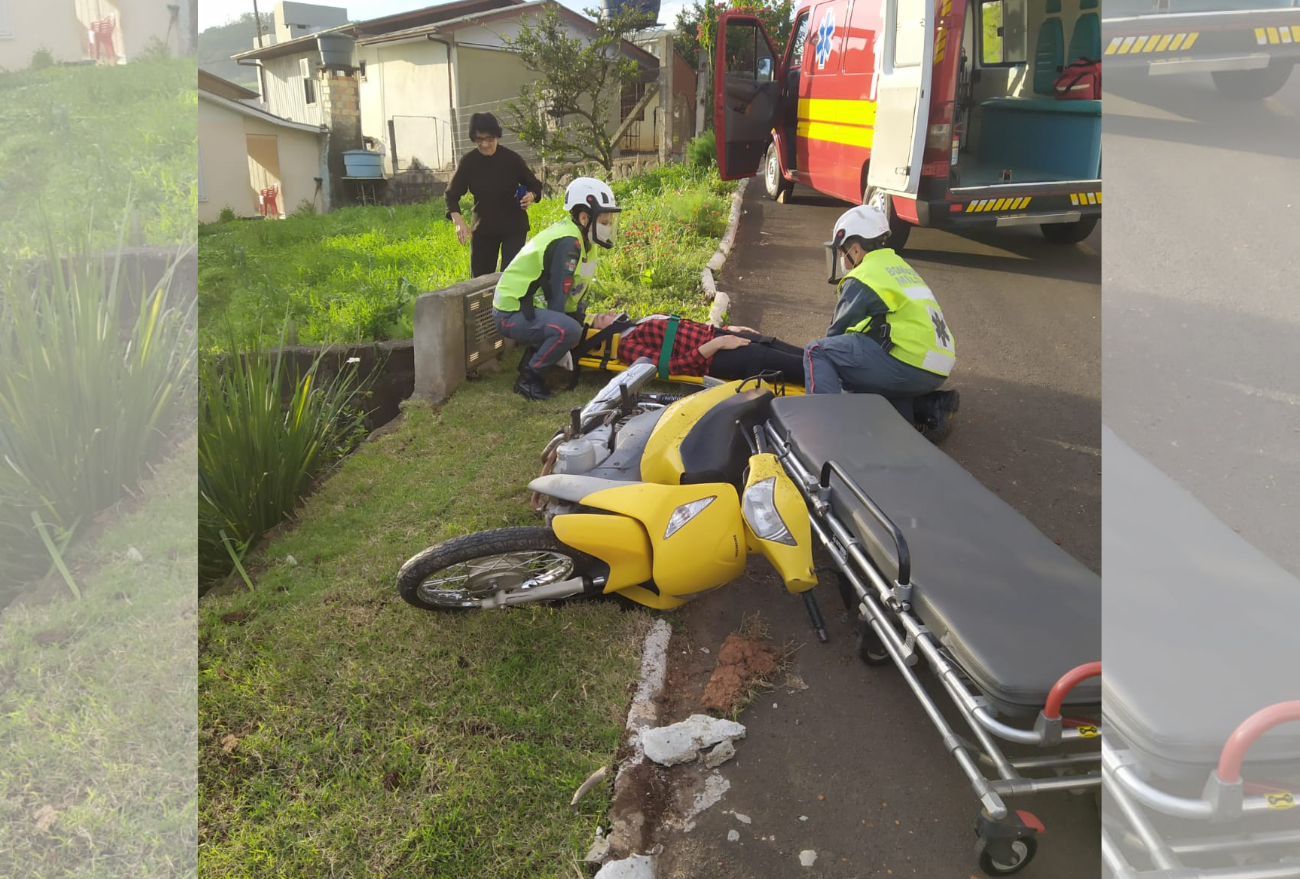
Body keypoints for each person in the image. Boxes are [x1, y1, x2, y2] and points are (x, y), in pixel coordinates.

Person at [804, 204, 961, 442]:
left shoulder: (863, 275)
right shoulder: (898, 266)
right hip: (934, 366)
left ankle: (823, 434)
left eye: (842, 250)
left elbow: (835, 336)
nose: (841, 257)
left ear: (855, 249)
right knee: (890, 429)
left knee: (817, 351)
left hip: (908, 364)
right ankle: (928, 410)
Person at [493, 177, 622, 401]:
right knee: (568, 329)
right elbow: (557, 297)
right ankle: (528, 378)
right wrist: (566, 341)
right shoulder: (568, 243)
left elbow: (575, 294)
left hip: (528, 308)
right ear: (584, 217)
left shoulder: (583, 240)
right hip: (510, 313)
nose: (608, 226)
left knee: (575, 321)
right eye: (604, 220)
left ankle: (532, 361)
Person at [445, 112, 544, 277]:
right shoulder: (469, 162)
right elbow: (451, 195)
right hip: (483, 228)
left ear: (497, 136)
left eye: (489, 139)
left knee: (512, 277)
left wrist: (531, 196)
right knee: (480, 281)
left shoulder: (512, 159)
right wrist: (458, 222)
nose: (484, 144)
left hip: (513, 227)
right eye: (479, 139)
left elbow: (535, 185)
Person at [585, 312, 805, 384]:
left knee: (801, 354)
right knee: (797, 366)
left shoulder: (640, 323)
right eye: (603, 318)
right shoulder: (627, 346)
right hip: (716, 358)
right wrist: (717, 344)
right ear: (602, 335)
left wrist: (727, 329)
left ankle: (835, 366)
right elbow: (669, 367)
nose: (610, 314)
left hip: (720, 338)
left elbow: (686, 328)